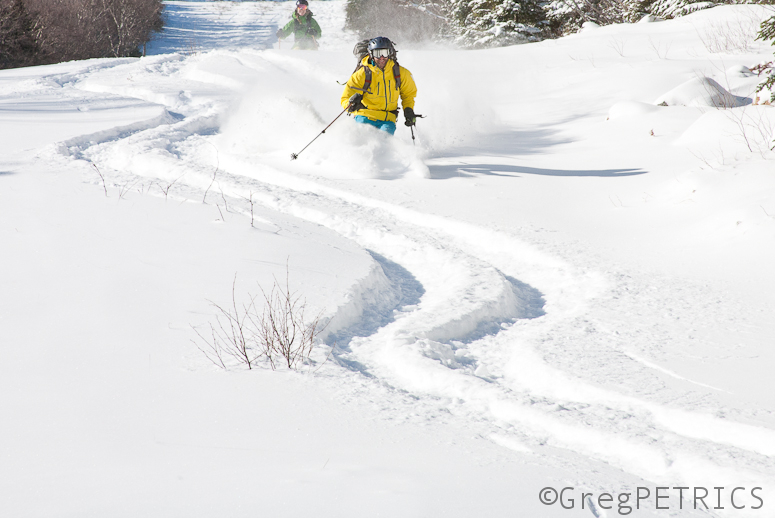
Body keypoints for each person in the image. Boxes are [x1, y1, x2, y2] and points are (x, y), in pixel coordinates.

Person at [340, 37, 418, 135]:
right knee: (364, 140)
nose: (381, 57)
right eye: (377, 53)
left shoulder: (401, 73)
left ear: (389, 53)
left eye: (384, 53)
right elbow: (345, 98)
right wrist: (350, 104)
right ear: (371, 54)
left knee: (384, 141)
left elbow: (408, 95)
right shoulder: (361, 74)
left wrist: (408, 110)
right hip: (364, 116)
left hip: (387, 119)